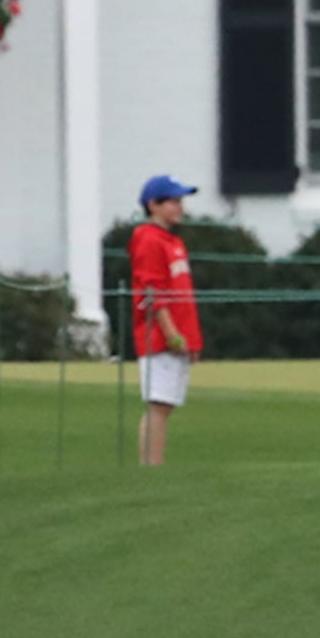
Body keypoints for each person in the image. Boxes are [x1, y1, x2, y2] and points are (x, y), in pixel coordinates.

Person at [128, 174, 199, 468]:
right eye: (173, 201)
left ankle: (155, 464)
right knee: (158, 405)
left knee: (165, 405)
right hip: (159, 338)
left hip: (178, 334)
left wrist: (191, 339)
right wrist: (171, 333)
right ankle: (151, 467)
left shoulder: (173, 241)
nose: (179, 207)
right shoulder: (148, 238)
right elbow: (151, 291)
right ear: (153, 205)